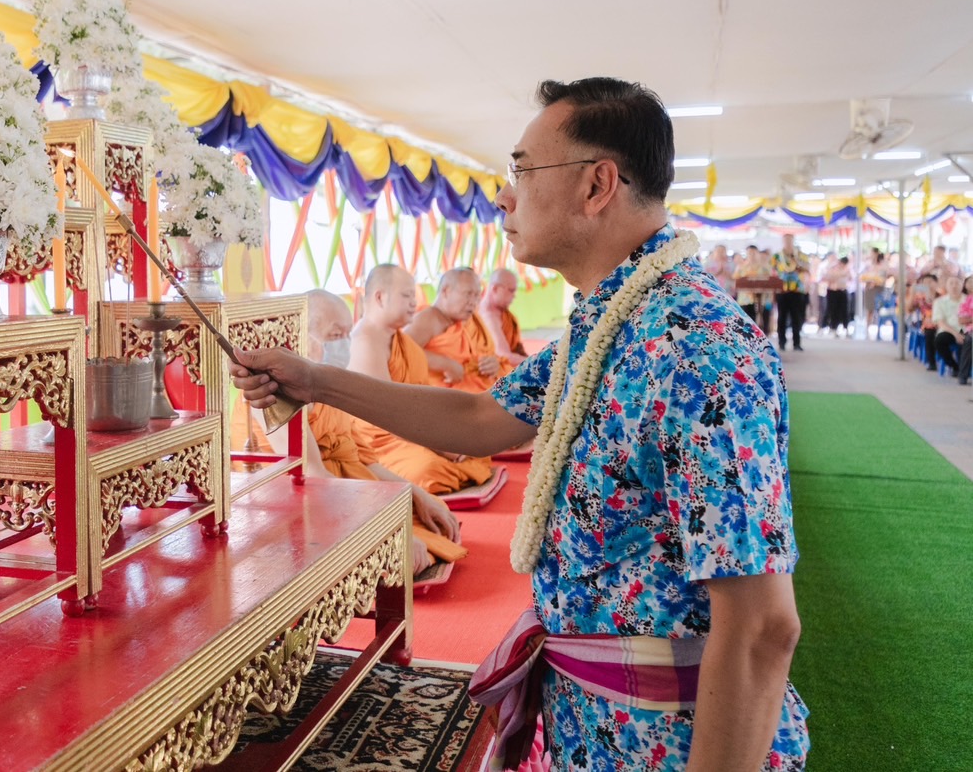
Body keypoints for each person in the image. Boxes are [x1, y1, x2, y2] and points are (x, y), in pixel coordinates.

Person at [233, 77, 807, 771]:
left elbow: (760, 626)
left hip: (663, 738)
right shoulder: (610, 317)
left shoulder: (696, 345)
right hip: (587, 718)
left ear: (597, 185)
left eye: (522, 169)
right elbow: (485, 413)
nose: (503, 195)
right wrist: (315, 378)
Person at [299, 289, 466, 575]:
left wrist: (415, 495)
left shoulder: (328, 385)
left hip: (347, 483)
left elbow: (362, 458)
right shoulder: (279, 393)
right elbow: (315, 481)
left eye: (345, 334)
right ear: (301, 335)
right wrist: (387, 527)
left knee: (427, 509)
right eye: (334, 334)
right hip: (311, 505)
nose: (343, 344)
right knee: (420, 486)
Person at [345, 264, 494, 495]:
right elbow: (385, 414)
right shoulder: (366, 340)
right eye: (406, 295)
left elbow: (417, 397)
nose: (415, 302)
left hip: (412, 426)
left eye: (414, 295)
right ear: (380, 297)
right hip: (380, 441)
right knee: (428, 469)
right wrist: (441, 446)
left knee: (475, 448)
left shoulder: (396, 338)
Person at [405, 268, 513, 392]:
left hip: (476, 391)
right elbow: (401, 350)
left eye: (477, 296)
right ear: (446, 291)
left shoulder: (464, 322)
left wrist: (493, 364)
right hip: (442, 399)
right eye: (468, 294)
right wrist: (445, 364)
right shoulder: (429, 318)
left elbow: (481, 356)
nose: (473, 302)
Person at [479, 267, 529, 366]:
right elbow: (503, 356)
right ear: (495, 289)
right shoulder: (489, 317)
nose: (514, 295)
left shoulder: (502, 312)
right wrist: (536, 363)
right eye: (511, 290)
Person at [772, 234, 811, 352]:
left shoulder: (800, 255)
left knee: (796, 317)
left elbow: (807, 268)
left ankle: (797, 343)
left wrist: (796, 260)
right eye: (785, 240)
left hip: (797, 289)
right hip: (782, 290)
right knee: (782, 317)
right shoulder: (777, 256)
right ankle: (781, 342)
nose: (788, 242)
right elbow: (772, 271)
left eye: (790, 240)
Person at [734, 246, 776, 335]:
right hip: (745, 299)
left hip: (762, 299)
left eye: (754, 253)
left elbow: (771, 281)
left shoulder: (765, 267)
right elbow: (735, 280)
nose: (752, 255)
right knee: (746, 321)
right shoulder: (741, 266)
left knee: (763, 320)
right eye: (749, 253)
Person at [930, 279, 964, 375]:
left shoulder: (968, 300)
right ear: (946, 286)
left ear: (962, 285)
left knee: (967, 342)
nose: (954, 286)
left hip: (967, 330)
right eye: (951, 283)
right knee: (939, 341)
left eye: (957, 283)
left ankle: (964, 368)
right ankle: (954, 366)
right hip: (949, 330)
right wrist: (956, 334)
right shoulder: (939, 302)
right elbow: (940, 322)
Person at [822, 255, 853, 335]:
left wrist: (843, 274)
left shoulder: (847, 269)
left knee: (844, 310)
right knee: (832, 310)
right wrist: (840, 274)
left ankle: (845, 327)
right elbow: (827, 277)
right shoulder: (832, 268)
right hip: (832, 291)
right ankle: (833, 327)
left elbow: (850, 277)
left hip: (842, 291)